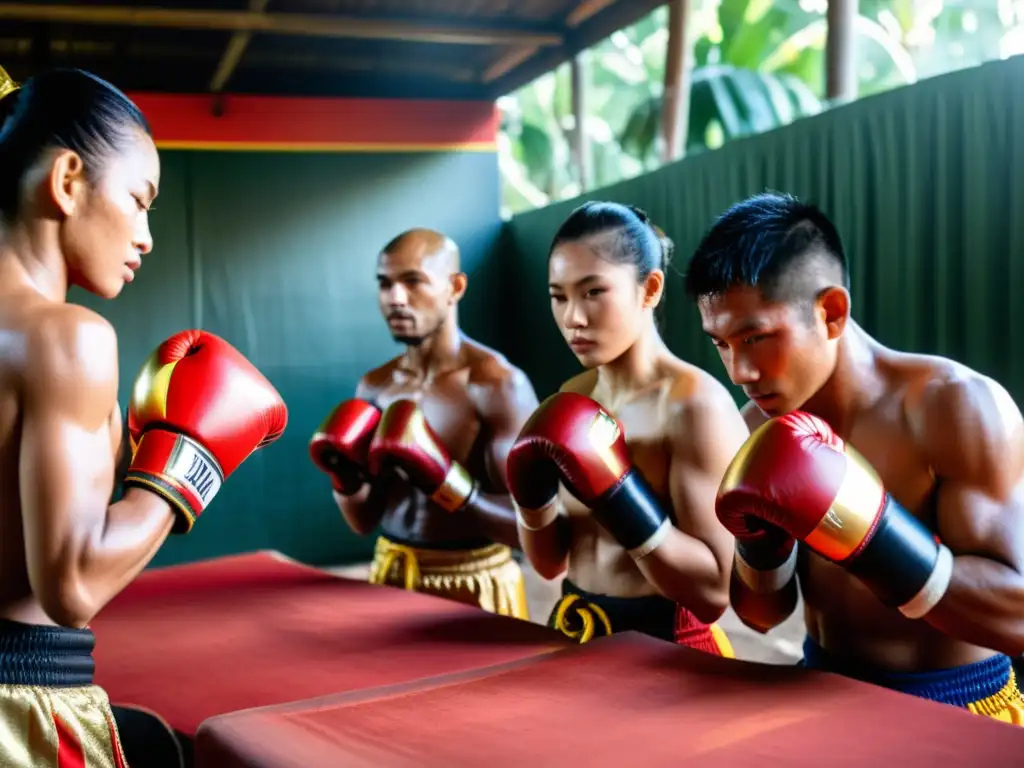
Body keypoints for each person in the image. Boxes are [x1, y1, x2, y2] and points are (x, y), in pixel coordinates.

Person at [0, 65, 287, 766]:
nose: (148, 235)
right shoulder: (68, 337)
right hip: (19, 708)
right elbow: (71, 585)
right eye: (139, 199)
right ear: (68, 181)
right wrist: (188, 462)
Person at [686, 190, 1024, 722]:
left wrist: (869, 532)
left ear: (831, 312)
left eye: (756, 337)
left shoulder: (956, 406)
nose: (740, 372)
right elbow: (762, 616)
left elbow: (1017, 615)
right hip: (820, 697)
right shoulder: (756, 428)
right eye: (721, 344)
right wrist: (760, 549)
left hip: (957, 705)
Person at [505, 201, 748, 652]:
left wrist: (619, 497)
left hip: (667, 649)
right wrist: (530, 499)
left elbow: (715, 593)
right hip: (574, 631)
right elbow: (549, 562)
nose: (573, 318)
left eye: (593, 292)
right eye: (559, 296)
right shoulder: (570, 396)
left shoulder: (695, 406)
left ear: (650, 289)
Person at [310, 229, 539, 619]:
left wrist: (447, 483)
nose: (395, 298)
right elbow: (364, 522)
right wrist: (345, 480)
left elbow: (533, 532)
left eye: (413, 281)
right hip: (393, 571)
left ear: (455, 287)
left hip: (475, 582)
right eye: (385, 284)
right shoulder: (376, 386)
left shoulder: (496, 384)